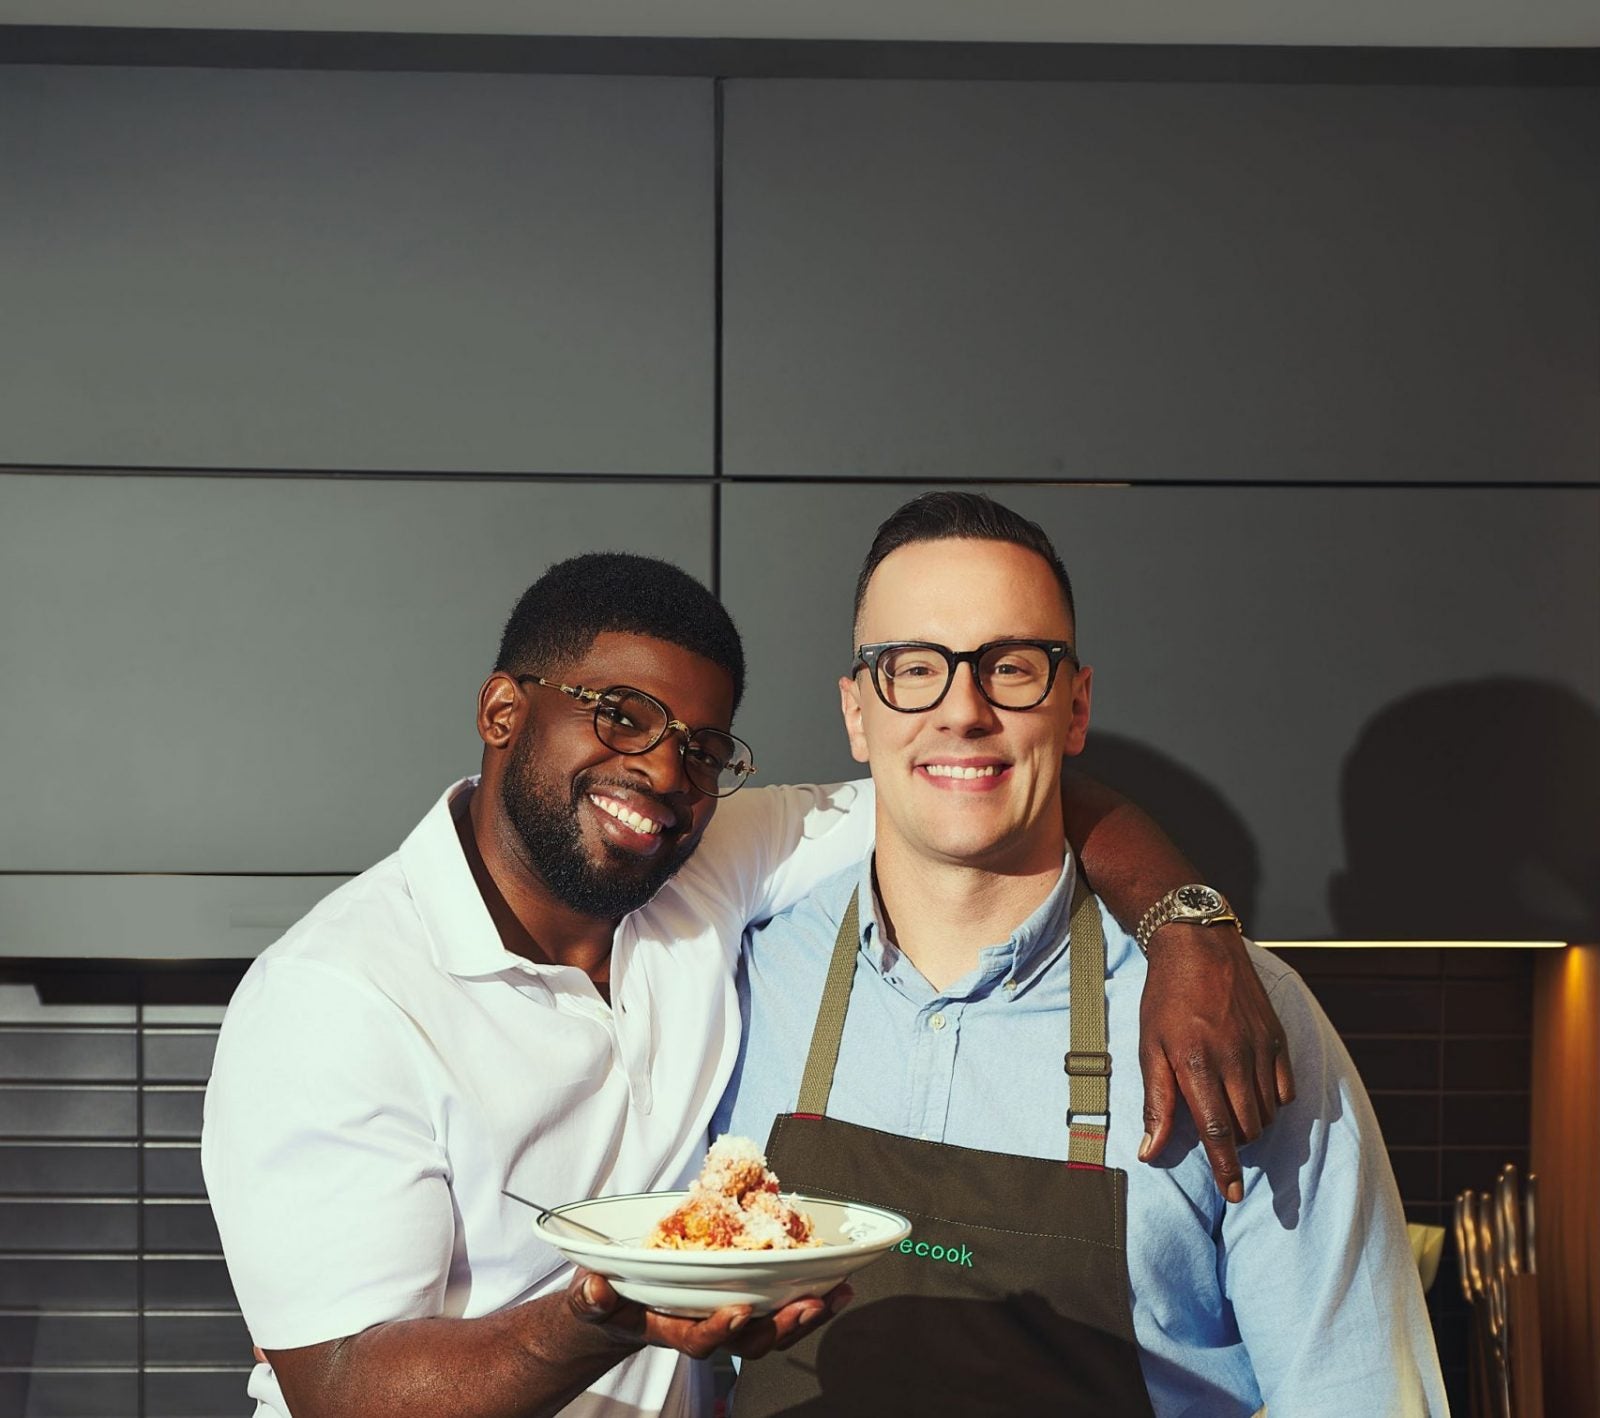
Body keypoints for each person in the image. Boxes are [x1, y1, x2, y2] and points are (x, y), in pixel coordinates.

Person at [202, 551, 1292, 1418]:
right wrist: (610, 1311)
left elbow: (973, 779)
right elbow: (342, 1387)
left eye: (703, 746)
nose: (662, 770)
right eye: (620, 713)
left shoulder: (702, 859)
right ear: (501, 711)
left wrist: (1187, 929)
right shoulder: (336, 998)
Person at [716, 492, 1449, 1416]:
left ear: (1075, 707)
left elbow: (1354, 1393)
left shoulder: (1235, 1017)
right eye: (915, 668)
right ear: (857, 711)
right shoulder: (739, 980)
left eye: (1011, 667)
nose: (963, 710)